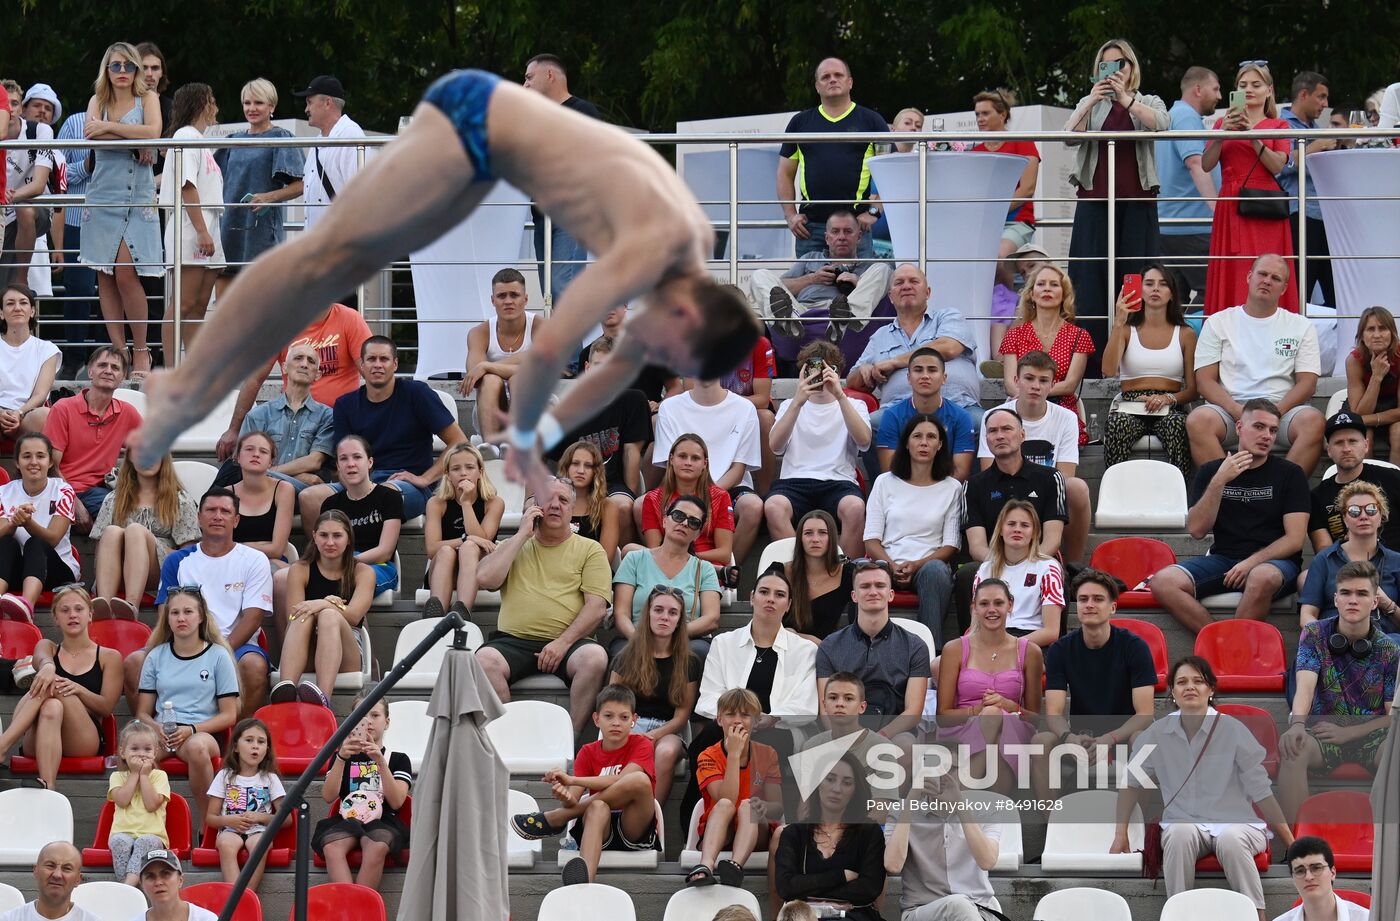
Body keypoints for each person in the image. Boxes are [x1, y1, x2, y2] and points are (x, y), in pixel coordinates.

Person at [127, 68, 763, 505]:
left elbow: (587, 372)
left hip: (496, 151)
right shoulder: (654, 245)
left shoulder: (674, 261)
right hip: (475, 118)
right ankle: (187, 382)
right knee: (330, 252)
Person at [1111, 656, 1295, 921]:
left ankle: (1256, 916)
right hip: (1185, 824)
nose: (1190, 687)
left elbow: (1261, 790)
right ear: (1172, 692)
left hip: (1237, 823)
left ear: (1211, 689)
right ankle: (1179, 914)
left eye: (1199, 681)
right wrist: (1121, 834)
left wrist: (1290, 841)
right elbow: (1130, 783)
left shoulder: (1233, 730)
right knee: (1177, 834)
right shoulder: (1157, 733)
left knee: (1231, 840)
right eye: (1182, 682)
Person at [1154, 399, 1310, 633]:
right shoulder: (1212, 471)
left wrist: (1250, 563)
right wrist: (1220, 480)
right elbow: (1196, 530)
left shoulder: (1290, 473)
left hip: (1274, 565)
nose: (1267, 435)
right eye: (1259, 427)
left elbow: (1295, 539)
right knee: (1163, 582)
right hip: (1224, 559)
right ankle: (1219, 641)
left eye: (1273, 430)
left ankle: (1235, 646)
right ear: (1239, 428)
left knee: (1260, 576)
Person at [1063, 38, 1170, 367]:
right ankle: (1091, 361)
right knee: (1088, 280)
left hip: (1138, 202)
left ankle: (1136, 358)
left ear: (1132, 68)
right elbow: (1067, 136)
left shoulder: (1147, 100)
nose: (1114, 71)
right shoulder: (1090, 101)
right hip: (1095, 201)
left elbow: (1162, 125)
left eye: (1120, 63)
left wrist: (1126, 99)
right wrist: (1092, 102)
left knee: (1135, 278)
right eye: (1106, 65)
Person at [475, 477, 611, 734]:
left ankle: (569, 739)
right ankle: (509, 734)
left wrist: (562, 643)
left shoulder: (590, 549)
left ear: (572, 509)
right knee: (483, 660)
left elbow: (596, 608)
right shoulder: (513, 546)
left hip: (570, 642)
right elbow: (484, 580)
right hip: (512, 641)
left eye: (563, 500)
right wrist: (522, 534)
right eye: (548, 499)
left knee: (594, 658)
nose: (555, 506)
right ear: (534, 507)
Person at [132, 488, 274, 718]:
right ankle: (147, 735)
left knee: (254, 667)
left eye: (225, 511)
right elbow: (165, 611)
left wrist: (216, 653)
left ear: (236, 520)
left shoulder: (254, 560)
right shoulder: (177, 560)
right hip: (182, 643)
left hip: (235, 645)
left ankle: (237, 740)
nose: (217, 516)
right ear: (198, 516)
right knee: (134, 662)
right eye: (210, 510)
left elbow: (254, 616)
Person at [302, 337, 466, 524]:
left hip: (407, 485)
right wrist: (352, 487)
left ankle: (374, 553)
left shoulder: (416, 393)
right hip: (359, 481)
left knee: (383, 496)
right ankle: (324, 553)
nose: (377, 365)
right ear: (361, 365)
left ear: (395, 364)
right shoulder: (345, 404)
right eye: (371, 359)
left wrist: (425, 478)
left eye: (384, 359)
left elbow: (459, 442)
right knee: (309, 498)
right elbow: (342, 458)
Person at [1281, 559, 1399, 819]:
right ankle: (1299, 846)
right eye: (1345, 593)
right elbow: (1304, 687)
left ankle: (1388, 849)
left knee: (1397, 752)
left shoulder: (1389, 649)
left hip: (1371, 735)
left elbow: (1392, 718)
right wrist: (1298, 725)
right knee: (1291, 747)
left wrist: (1350, 733)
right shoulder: (1314, 633)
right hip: (1323, 732)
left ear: (1375, 602)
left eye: (1361, 593)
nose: (1352, 600)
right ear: (1335, 599)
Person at [1189, 254, 1324, 474]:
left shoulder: (1301, 326)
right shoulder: (1218, 322)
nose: (1267, 280)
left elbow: (1308, 383)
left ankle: (1283, 492)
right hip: (1231, 411)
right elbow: (1204, 381)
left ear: (1284, 288)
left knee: (1314, 421)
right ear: (1249, 277)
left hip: (1282, 411)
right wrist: (1239, 412)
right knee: (1198, 420)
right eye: (1262, 274)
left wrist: (1272, 415)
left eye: (1275, 278)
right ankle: (1229, 493)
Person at [512, 684, 660, 886]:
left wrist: (572, 780)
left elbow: (623, 780)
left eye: (624, 717)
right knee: (598, 806)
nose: (616, 723)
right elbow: (573, 799)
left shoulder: (642, 744)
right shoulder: (587, 752)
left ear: (634, 720)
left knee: (639, 780)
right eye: (609, 716)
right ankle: (584, 886)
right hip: (599, 824)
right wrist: (564, 794)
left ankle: (559, 819)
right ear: (596, 719)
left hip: (633, 826)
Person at [1031, 569, 1157, 799]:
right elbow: (1054, 713)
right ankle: (1051, 825)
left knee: (1143, 739)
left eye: (1098, 599)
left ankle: (1140, 826)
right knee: (1041, 741)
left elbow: (1145, 714)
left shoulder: (1134, 647)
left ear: (1113, 608)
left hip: (1124, 735)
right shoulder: (1061, 649)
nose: (1089, 604)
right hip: (1082, 737)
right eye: (1083, 599)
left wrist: (1109, 739)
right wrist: (1068, 737)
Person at [80, 42, 163, 379]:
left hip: (136, 194)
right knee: (105, 275)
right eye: (116, 66)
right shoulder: (97, 101)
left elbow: (154, 132)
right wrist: (131, 137)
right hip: (102, 194)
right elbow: (91, 136)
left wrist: (108, 128)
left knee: (127, 272)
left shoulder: (149, 99)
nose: (123, 72)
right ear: (107, 69)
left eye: (129, 66)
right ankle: (119, 352)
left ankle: (141, 349)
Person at [135, 586, 241, 828]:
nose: (181, 618)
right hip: (163, 731)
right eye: (174, 613)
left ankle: (208, 825)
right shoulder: (155, 656)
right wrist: (157, 726)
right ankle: (138, 825)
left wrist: (191, 729)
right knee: (135, 753)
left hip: (203, 731)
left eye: (188, 612)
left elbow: (229, 714)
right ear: (167, 618)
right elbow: (142, 712)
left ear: (201, 616)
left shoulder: (218, 656)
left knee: (197, 748)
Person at [958, 407, 1071, 632]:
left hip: (1038, 557)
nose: (999, 435)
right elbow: (977, 545)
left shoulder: (1050, 478)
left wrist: (1023, 563)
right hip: (994, 561)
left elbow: (1052, 539)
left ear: (1022, 435)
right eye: (992, 431)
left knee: (1057, 572)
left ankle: (1056, 647)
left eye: (1006, 429)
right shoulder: (973, 485)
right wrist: (1005, 564)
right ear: (986, 440)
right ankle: (970, 646)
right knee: (966, 574)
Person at [214, 303, 372, 463]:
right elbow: (254, 378)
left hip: (337, 423)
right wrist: (234, 429)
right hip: (293, 419)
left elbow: (372, 373)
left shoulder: (350, 319)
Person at [0, 585, 121, 788]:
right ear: (55, 618)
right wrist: (47, 666)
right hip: (39, 737)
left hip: (83, 738)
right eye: (64, 610)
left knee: (54, 683)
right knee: (51, 707)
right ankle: (48, 785)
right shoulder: (47, 646)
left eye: (79, 609)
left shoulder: (109, 656)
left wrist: (77, 688)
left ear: (90, 614)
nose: (72, 615)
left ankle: (2, 746)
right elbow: (41, 658)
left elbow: (106, 707)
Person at [1202, 63, 1298, 316]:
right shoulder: (1223, 123)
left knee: (1270, 269)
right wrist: (1223, 133)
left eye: (1256, 85)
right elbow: (1206, 163)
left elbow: (1277, 165)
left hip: (1265, 207)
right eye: (1243, 85)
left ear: (1269, 90)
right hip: (1232, 205)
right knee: (1234, 270)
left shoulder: (1279, 125)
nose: (1249, 90)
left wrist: (1252, 135)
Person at [979, 353, 1092, 562]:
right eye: (1029, 378)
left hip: (1046, 495)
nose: (1035, 386)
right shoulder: (995, 416)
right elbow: (989, 474)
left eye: (1043, 380)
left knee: (1077, 488)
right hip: (1004, 491)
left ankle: (1073, 566)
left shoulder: (1067, 417)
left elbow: (1064, 477)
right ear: (1016, 381)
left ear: (1053, 385)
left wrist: (1035, 495)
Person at [765, 341, 870, 558]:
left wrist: (840, 396)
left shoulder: (854, 405)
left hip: (839, 482)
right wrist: (797, 401)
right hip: (794, 481)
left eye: (826, 369)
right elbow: (775, 447)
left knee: (855, 508)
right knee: (774, 506)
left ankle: (845, 572)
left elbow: (864, 442)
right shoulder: (790, 405)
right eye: (814, 370)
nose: (820, 376)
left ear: (837, 372)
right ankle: (797, 569)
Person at [937, 578, 1043, 794]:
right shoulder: (954, 649)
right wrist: (978, 712)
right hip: (961, 730)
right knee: (991, 716)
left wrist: (1010, 707)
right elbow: (943, 716)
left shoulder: (1030, 652)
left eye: (998, 603)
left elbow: (1035, 718)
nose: (991, 610)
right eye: (984, 604)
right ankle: (992, 809)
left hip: (1014, 729)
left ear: (1010, 605)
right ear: (974, 608)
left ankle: (956, 795)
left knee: (995, 716)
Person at [863, 414, 961, 646]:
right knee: (862, 570)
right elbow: (871, 540)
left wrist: (916, 565)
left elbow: (951, 545)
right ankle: (860, 648)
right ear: (906, 443)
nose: (924, 442)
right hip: (886, 563)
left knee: (935, 572)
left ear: (940, 446)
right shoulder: (884, 482)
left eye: (931, 437)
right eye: (917, 436)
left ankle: (928, 653)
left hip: (928, 567)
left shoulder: (952, 488)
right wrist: (893, 565)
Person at [778, 59, 887, 260]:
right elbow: (784, 173)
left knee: (858, 289)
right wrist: (790, 215)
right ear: (817, 86)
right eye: (825, 77)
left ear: (850, 82)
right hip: (810, 227)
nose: (832, 80)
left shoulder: (872, 121)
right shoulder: (800, 122)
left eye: (838, 75)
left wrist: (874, 212)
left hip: (856, 228)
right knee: (810, 290)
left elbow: (890, 172)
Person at [546, 333, 650, 537]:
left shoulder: (633, 400)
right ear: (587, 368)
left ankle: (623, 565)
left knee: (622, 507)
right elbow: (551, 457)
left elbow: (631, 453)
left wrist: (630, 494)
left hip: (613, 483)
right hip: (574, 484)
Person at [848, 264, 982, 420]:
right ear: (890, 297)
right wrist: (865, 369)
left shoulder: (948, 317)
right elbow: (852, 381)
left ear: (928, 292)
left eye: (913, 281)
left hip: (959, 407)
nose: (906, 286)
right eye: (899, 283)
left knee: (985, 425)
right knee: (868, 428)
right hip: (897, 413)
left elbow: (949, 347)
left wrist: (894, 362)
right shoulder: (880, 336)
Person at [651, 377, 762, 565]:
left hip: (730, 487)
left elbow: (739, 468)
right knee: (639, 505)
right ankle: (667, 565)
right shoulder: (669, 407)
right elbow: (671, 463)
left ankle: (724, 573)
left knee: (753, 507)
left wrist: (710, 495)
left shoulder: (745, 408)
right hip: (682, 485)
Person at [1101, 263, 1198, 476]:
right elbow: (1108, 370)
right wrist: (1118, 323)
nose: (1155, 289)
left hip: (1170, 404)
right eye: (1149, 284)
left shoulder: (1185, 333)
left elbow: (1193, 390)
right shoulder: (1126, 330)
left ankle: (1177, 498)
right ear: (1139, 290)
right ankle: (1117, 495)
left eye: (1163, 284)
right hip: (1131, 403)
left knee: (1177, 426)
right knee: (1118, 425)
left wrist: (1167, 399)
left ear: (1172, 293)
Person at [816, 560, 931, 741]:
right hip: (842, 733)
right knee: (809, 747)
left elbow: (913, 712)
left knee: (906, 745)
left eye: (880, 585)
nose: (873, 591)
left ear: (891, 594)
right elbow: (825, 709)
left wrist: (877, 739)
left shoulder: (915, 646)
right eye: (865, 586)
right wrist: (844, 740)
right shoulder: (829, 646)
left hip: (894, 734)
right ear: (854, 596)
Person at [522, 54, 603, 299]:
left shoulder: (583, 111)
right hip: (541, 216)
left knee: (562, 288)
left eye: (529, 77)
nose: (524, 85)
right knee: (550, 293)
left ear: (550, 75)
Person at [273, 510, 374, 708]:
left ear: (348, 539)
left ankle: (323, 699)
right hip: (306, 646)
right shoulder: (300, 569)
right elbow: (292, 616)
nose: (330, 542)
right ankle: (285, 691)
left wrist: (325, 604)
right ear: (314, 537)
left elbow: (353, 616)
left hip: (347, 652)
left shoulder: (363, 571)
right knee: (302, 616)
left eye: (337, 536)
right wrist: (328, 603)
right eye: (323, 535)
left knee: (329, 616)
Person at [609, 588, 699, 806]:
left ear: (679, 620)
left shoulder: (689, 662)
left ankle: (651, 819)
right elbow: (611, 703)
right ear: (647, 613)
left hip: (668, 730)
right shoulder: (626, 656)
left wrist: (652, 736)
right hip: (629, 724)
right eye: (658, 610)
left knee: (666, 751)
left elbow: (681, 716)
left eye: (672, 612)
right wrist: (630, 730)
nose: (665, 617)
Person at [685, 688, 782, 888]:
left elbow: (777, 808)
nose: (737, 720)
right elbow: (726, 798)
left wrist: (763, 806)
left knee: (748, 806)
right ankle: (706, 865)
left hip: (756, 834)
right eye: (730, 714)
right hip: (720, 831)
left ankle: (735, 866)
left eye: (745, 714)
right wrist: (734, 755)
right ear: (719, 720)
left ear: (755, 722)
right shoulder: (707, 756)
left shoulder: (768, 754)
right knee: (725, 805)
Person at [747, 208, 891, 343]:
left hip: (846, 315)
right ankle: (788, 322)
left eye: (848, 231)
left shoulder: (870, 267)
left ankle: (846, 319)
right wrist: (812, 279)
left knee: (884, 268)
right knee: (759, 275)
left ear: (859, 237)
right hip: (803, 314)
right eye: (835, 232)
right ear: (827, 238)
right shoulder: (811, 258)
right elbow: (779, 288)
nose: (841, 237)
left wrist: (858, 282)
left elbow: (892, 293)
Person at [213, 78, 305, 290]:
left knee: (260, 298)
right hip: (229, 226)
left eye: (259, 103)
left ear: (271, 106)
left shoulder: (281, 137)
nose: (251, 108)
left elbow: (300, 184)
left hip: (261, 230)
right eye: (247, 103)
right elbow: (211, 180)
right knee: (225, 299)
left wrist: (268, 197)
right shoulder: (232, 140)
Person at [772, 753, 886, 921]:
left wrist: (807, 890)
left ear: (855, 790)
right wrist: (841, 876)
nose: (837, 789)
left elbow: (869, 889)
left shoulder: (869, 832)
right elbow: (786, 887)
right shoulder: (794, 834)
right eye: (830, 779)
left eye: (847, 783)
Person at [313, 696, 412, 889]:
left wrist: (380, 761)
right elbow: (328, 796)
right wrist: (341, 758)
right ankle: (349, 910)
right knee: (332, 847)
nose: (368, 721)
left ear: (387, 722)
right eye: (361, 716)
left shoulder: (399, 759)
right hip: (347, 819)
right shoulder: (342, 756)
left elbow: (397, 801)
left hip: (383, 820)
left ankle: (361, 909)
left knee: (376, 845)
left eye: (375, 715)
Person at [158, 83, 225, 362]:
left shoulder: (199, 140)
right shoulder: (185, 136)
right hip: (191, 227)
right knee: (183, 304)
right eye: (212, 101)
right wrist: (200, 231)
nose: (216, 107)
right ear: (202, 104)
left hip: (207, 224)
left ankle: (193, 369)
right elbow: (187, 186)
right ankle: (172, 369)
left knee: (198, 305)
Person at [884, 770, 1004, 921]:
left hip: (981, 909)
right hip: (921, 910)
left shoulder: (987, 810)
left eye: (952, 769)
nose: (942, 776)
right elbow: (893, 866)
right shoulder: (900, 810)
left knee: (960, 905)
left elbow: (987, 861)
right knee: (957, 905)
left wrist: (960, 805)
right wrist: (910, 802)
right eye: (935, 768)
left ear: (964, 773)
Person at [611, 495, 721, 660]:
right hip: (636, 635)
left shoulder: (704, 569)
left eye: (693, 522)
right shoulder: (634, 559)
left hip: (685, 640)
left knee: (698, 653)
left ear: (698, 534)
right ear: (664, 521)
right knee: (624, 654)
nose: (684, 523)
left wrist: (671, 635)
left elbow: (711, 619)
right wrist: (640, 640)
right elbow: (621, 614)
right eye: (678, 516)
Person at [92, 452, 200, 619]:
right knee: (112, 532)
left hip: (161, 572)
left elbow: (188, 555)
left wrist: (145, 542)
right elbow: (101, 549)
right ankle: (103, 605)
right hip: (118, 571)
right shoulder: (114, 498)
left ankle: (131, 606)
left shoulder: (179, 499)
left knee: (135, 530)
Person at [216, 344, 335, 493]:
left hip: (302, 494)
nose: (304, 364)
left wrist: (269, 473)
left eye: (311, 361)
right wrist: (297, 477)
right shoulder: (258, 415)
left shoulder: (327, 416)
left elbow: (314, 461)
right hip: (262, 491)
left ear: (318, 374)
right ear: (284, 368)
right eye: (298, 358)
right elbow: (246, 465)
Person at [43, 346, 142, 525]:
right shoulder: (63, 408)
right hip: (65, 491)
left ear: (122, 378)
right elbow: (50, 467)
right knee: (124, 517)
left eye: (115, 368)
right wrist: (73, 503)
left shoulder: (127, 413)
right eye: (102, 365)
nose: (108, 371)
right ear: (90, 372)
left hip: (103, 490)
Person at [998, 264, 1095, 445]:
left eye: (1054, 284)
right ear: (1032, 294)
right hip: (1023, 407)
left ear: (1064, 294)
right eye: (1041, 284)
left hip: (1061, 408)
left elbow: (1069, 385)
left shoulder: (1079, 336)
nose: (1047, 289)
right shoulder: (1014, 335)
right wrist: (1032, 395)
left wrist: (1033, 390)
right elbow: (1011, 385)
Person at [1156, 66, 1222, 304]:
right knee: (1214, 293)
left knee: (1174, 301)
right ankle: (1195, 339)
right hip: (1192, 226)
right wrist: (1218, 209)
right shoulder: (1186, 117)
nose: (1219, 96)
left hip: (1171, 225)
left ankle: (1182, 338)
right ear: (1198, 89)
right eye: (1215, 89)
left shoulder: (1173, 116)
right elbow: (1195, 162)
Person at [969, 89, 1041, 298]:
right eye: (977, 114)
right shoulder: (975, 152)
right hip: (981, 225)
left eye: (985, 113)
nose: (980, 119)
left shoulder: (1022, 142)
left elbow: (1027, 188)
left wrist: (993, 211)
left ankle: (1002, 315)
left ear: (1002, 115)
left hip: (1016, 222)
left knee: (997, 257)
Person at [0, 434, 80, 623]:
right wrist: (13, 522)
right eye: (27, 456)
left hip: (57, 570)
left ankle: (26, 607)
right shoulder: (3, 492)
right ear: (17, 463)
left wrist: (27, 522)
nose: (34, 462)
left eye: (40, 456)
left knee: (36, 542)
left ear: (51, 461)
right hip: (17, 569)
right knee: (6, 543)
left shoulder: (63, 491)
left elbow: (52, 538)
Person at [1300, 481, 1400, 629]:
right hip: (1336, 641)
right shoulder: (1325, 559)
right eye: (1354, 511)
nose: (1363, 516)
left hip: (1384, 643)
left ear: (1381, 517)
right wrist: (1323, 638)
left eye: (1371, 509)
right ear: (1345, 519)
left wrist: (1387, 604)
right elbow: (1307, 615)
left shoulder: (1396, 561)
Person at [459, 268, 543, 442]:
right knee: (490, 380)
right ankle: (491, 448)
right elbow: (476, 376)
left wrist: (487, 366)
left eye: (514, 295)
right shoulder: (479, 332)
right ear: (493, 300)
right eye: (502, 296)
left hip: (531, 407)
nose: (508, 301)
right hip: (490, 407)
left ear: (525, 299)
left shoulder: (540, 327)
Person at [421, 442, 503, 618]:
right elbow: (431, 549)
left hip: (479, 572)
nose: (463, 473)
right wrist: (465, 539)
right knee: (445, 551)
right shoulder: (436, 503)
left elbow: (484, 540)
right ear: (448, 475)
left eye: (470, 467)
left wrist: (466, 503)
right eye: (456, 468)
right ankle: (435, 616)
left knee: (470, 548)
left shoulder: (494, 502)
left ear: (480, 472)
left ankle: (461, 612)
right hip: (443, 572)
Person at [205, 717, 286, 892]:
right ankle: (236, 901)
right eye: (249, 740)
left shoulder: (270, 778)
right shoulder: (224, 776)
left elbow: (286, 819)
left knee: (260, 844)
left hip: (259, 830)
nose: (255, 745)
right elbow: (210, 818)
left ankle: (246, 897)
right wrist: (229, 821)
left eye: (261, 741)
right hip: (229, 829)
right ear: (235, 747)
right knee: (226, 844)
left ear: (267, 749)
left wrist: (261, 817)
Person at [318, 435, 404, 601]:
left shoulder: (389, 497)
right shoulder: (331, 503)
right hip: (339, 564)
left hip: (379, 566)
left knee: (345, 580)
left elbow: (385, 551)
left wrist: (347, 561)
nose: (351, 464)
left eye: (357, 457)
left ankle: (351, 626)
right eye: (344, 459)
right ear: (338, 466)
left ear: (370, 462)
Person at [1279, 71, 1337, 310]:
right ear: (1303, 94)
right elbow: (1278, 166)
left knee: (1336, 293)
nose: (1325, 104)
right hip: (1300, 215)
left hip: (1325, 217)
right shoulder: (1281, 125)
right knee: (1301, 289)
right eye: (1321, 97)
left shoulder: (1313, 126)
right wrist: (1315, 147)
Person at [875, 346, 977, 479]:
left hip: (944, 490)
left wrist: (929, 488)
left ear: (944, 378)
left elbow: (960, 472)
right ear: (909, 378)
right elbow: (889, 470)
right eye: (918, 370)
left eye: (932, 370)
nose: (925, 376)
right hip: (903, 489)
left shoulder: (961, 417)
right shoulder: (892, 415)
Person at [973, 500, 1064, 648]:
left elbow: (1051, 631)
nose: (1017, 529)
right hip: (989, 639)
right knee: (938, 664)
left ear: (1034, 533)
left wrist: (1009, 646)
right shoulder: (985, 569)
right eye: (1011, 524)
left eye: (1025, 525)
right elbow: (975, 625)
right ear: (1001, 530)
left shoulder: (1048, 568)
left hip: (1030, 641)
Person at [638, 434, 736, 570]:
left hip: (707, 569)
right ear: (671, 459)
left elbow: (724, 554)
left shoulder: (720, 497)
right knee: (630, 551)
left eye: (695, 458)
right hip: (667, 567)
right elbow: (655, 550)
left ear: (704, 464)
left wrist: (688, 557)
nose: (688, 462)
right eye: (682, 456)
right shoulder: (653, 499)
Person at [1309, 410, 1400, 551]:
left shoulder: (1392, 478)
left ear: (1366, 445)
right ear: (1329, 450)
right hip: (1347, 568)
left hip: (1395, 567)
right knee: (1306, 574)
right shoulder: (1318, 496)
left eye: (1352, 441)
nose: (1346, 449)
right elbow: (1323, 548)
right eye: (1339, 443)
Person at [105, 720, 170, 886]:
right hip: (122, 832)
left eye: (147, 749)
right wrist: (134, 774)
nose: (141, 754)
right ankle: (130, 887)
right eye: (134, 749)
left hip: (153, 835)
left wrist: (144, 776)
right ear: (122, 752)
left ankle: (126, 888)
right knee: (119, 841)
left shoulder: (159, 776)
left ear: (155, 752)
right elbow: (122, 801)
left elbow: (151, 804)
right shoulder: (117, 777)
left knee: (144, 842)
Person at [295, 75, 364, 231]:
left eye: (309, 102)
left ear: (327, 103)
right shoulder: (319, 140)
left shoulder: (351, 135)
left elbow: (360, 193)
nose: (306, 109)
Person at [0, 284, 60, 451]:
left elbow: (40, 395)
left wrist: (19, 413)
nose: (17, 308)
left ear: (32, 311)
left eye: (23, 302)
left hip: (28, 414)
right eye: (10, 303)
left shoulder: (47, 349)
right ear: (1, 313)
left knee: (45, 415)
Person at [785, 511, 854, 643]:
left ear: (832, 538)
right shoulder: (780, 571)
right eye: (808, 533)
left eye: (823, 532)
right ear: (800, 538)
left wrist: (806, 639)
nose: (815, 539)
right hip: (782, 650)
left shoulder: (848, 574)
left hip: (826, 655)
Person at [228, 431, 294, 566]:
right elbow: (221, 546)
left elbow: (277, 550)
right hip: (234, 563)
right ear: (238, 457)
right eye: (249, 449)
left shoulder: (284, 489)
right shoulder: (227, 493)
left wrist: (238, 546)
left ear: (271, 462)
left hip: (271, 561)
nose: (256, 454)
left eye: (263, 451)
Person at [1343, 306, 1400, 463]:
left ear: (1392, 333)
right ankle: (1366, 486)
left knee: (1399, 433)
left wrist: (1368, 419)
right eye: (1370, 329)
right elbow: (1358, 412)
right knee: (1362, 437)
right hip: (1363, 407)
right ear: (1361, 335)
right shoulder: (1354, 360)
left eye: (1382, 328)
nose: (1376, 335)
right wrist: (1376, 377)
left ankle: (1395, 485)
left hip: (1393, 409)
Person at [1274, 836, 1371, 921]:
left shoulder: (1367, 918)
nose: (1309, 877)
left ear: (1332, 873)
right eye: (1300, 871)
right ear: (1293, 879)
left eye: (1316, 868)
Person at [0, 842, 101, 921]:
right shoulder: (10, 919)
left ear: (78, 879)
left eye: (67, 868)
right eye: (50, 865)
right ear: (36, 870)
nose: (57, 875)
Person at [558, 440, 621, 564]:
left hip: (593, 573)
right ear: (566, 466)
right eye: (575, 463)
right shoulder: (552, 503)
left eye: (588, 465)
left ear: (596, 471)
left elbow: (604, 559)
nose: (581, 470)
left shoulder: (608, 506)